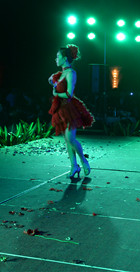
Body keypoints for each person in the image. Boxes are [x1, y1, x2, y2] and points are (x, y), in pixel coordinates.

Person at [48, 44, 95, 179]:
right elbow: (54, 84)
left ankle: (83, 161)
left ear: (64, 58)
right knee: (67, 140)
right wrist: (53, 83)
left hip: (69, 109)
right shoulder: (60, 74)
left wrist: (56, 93)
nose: (56, 59)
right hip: (60, 110)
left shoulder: (71, 73)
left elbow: (69, 94)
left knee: (70, 138)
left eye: (58, 56)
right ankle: (74, 166)